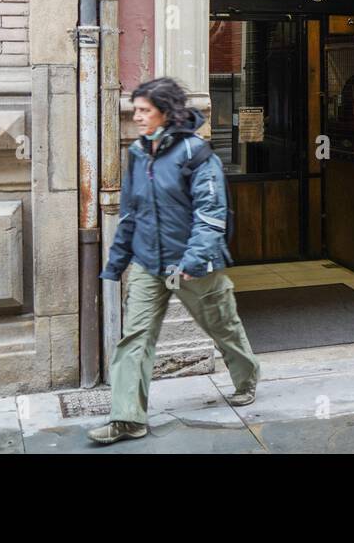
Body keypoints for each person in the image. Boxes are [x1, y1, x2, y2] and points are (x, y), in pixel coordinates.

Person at [87, 77, 261, 445]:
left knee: (222, 327)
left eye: (144, 110)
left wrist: (194, 260)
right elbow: (131, 212)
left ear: (166, 113)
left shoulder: (196, 153)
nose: (136, 117)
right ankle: (127, 419)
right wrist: (118, 261)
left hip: (193, 266)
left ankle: (247, 377)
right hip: (149, 264)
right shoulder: (138, 153)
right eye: (135, 110)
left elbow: (211, 212)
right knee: (135, 338)